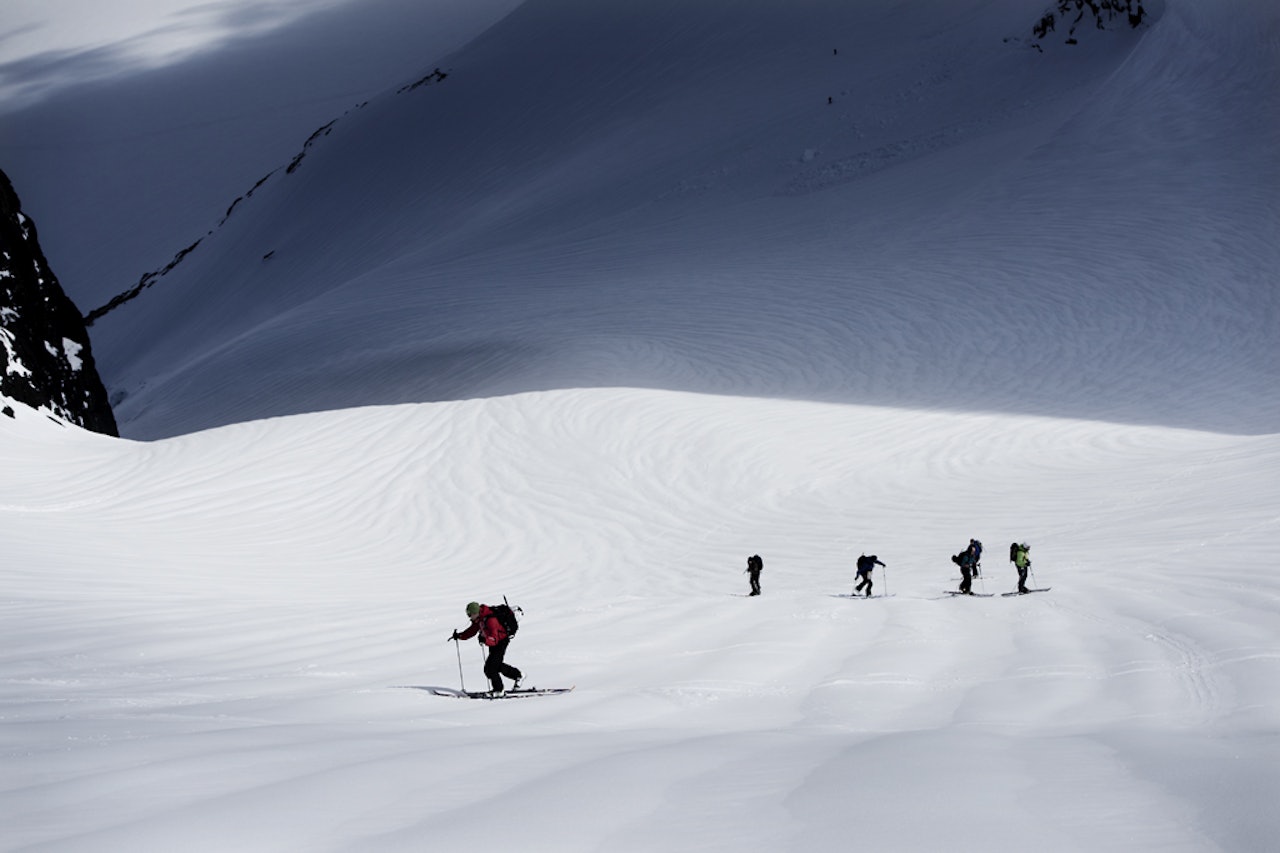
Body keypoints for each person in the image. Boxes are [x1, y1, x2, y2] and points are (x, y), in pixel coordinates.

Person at [451, 601, 522, 694]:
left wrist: (485, 639)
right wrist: (460, 636)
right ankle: (518, 675)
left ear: (475, 613)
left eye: (470, 614)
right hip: (493, 643)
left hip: (501, 642)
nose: (469, 617)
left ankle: (499, 690)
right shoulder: (480, 619)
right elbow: (472, 631)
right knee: (492, 667)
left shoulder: (490, 620)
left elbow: (494, 639)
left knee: (491, 668)